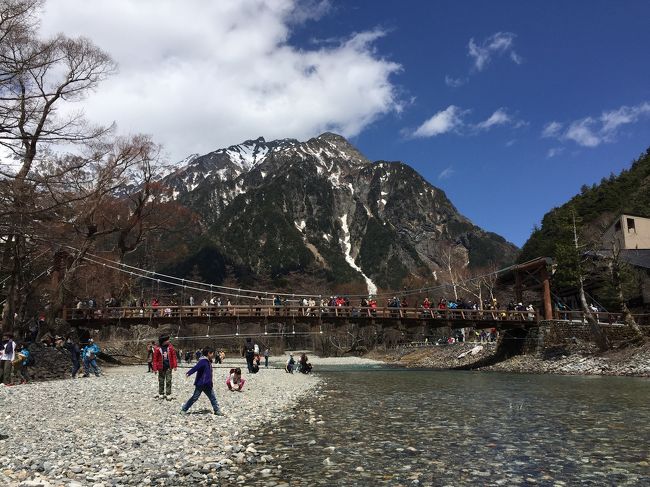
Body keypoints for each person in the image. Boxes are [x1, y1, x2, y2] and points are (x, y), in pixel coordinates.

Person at [181, 347, 223, 416]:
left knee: (213, 398)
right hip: (200, 384)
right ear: (208, 353)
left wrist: (211, 383)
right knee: (194, 398)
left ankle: (217, 410)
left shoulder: (208, 361)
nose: (213, 355)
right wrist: (189, 373)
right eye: (212, 353)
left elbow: (209, 374)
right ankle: (184, 409)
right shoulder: (203, 361)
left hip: (208, 384)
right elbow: (196, 368)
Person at [153, 334, 178, 400]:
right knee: (161, 380)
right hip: (160, 367)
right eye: (167, 340)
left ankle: (168, 393)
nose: (169, 341)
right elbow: (155, 359)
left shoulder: (170, 347)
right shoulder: (157, 349)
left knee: (169, 380)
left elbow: (174, 357)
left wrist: (175, 365)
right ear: (163, 341)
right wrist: (155, 368)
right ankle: (161, 393)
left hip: (169, 367)